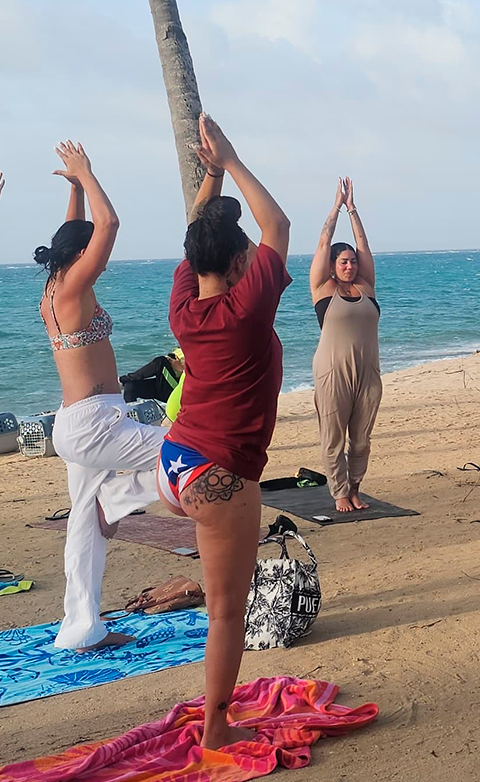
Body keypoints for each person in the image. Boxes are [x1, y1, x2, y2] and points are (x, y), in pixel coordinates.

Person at [157, 113, 291, 749]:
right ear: (241, 262)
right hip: (218, 476)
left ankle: (219, 714)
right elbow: (279, 227)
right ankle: (216, 728)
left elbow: (197, 237)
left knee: (222, 603)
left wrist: (210, 177)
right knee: (227, 613)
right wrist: (232, 160)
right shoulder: (245, 305)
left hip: (175, 459)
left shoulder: (185, 304)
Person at [35, 142, 163, 651]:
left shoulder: (56, 286)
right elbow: (108, 227)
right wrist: (87, 174)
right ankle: (121, 497)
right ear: (80, 256)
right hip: (95, 424)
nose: (100, 263)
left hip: (76, 421)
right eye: (91, 255)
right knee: (193, 450)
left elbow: (77, 234)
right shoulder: (72, 291)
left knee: (82, 527)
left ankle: (82, 628)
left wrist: (72, 191)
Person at [309, 176, 382, 513]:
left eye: (352, 261)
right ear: (333, 267)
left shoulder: (367, 287)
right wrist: (336, 207)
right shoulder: (323, 289)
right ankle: (338, 492)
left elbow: (364, 245)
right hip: (332, 371)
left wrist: (354, 209)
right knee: (334, 436)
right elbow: (324, 241)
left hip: (368, 371)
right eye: (344, 262)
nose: (350, 265)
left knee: (362, 438)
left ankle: (354, 489)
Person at [120, 348, 184, 403]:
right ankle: (130, 413)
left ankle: (123, 379)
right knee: (131, 385)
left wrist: (181, 369)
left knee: (161, 361)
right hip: (167, 386)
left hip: (179, 391)